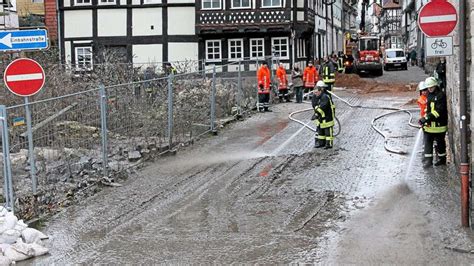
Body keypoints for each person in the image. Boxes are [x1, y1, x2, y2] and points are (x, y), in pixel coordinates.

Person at [418, 77, 448, 168]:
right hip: (429, 125)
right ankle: (428, 161)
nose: (429, 89)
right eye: (428, 88)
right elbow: (428, 109)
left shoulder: (441, 95)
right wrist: (423, 118)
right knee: (428, 142)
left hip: (439, 125)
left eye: (431, 87)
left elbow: (438, 111)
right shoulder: (429, 95)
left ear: (435, 85)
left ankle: (442, 159)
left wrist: (427, 118)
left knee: (440, 143)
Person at [312, 81, 336, 149]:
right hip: (320, 117)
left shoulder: (325, 96)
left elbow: (323, 107)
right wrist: (317, 113)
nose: (315, 94)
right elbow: (314, 104)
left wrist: (316, 114)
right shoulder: (316, 95)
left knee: (327, 131)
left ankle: (329, 144)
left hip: (327, 116)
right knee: (320, 131)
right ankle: (321, 143)